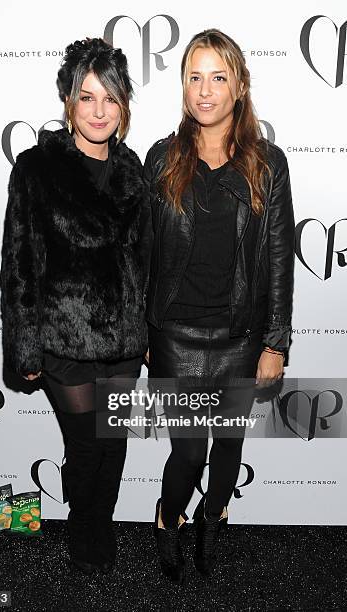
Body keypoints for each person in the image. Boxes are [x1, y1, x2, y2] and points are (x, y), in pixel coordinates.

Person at [144, 28, 295, 583]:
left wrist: (276, 341)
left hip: (240, 337)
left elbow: (280, 257)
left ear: (239, 88)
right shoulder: (161, 159)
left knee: (227, 450)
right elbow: (141, 252)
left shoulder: (268, 165)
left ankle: (213, 517)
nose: (205, 91)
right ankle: (166, 518)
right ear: (183, 87)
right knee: (188, 454)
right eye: (194, 77)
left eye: (218, 77)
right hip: (175, 336)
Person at [0, 38, 149, 575]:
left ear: (125, 103)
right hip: (66, 338)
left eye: (111, 97)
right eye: (87, 97)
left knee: (114, 446)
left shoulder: (135, 171)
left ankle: (98, 523)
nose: (100, 109)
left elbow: (145, 260)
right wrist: (24, 344)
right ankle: (85, 533)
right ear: (69, 101)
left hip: (125, 343)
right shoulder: (38, 168)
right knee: (86, 446)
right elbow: (18, 264)